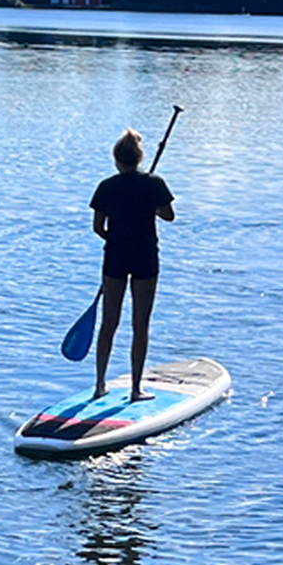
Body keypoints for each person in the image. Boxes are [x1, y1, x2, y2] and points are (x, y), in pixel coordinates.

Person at [90, 127, 175, 402]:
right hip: (145, 256)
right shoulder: (154, 184)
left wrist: (115, 237)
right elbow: (169, 215)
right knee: (141, 324)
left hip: (115, 256)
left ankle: (100, 384)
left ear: (117, 160)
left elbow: (98, 228)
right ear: (140, 158)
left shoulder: (106, 187)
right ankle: (136, 388)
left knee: (109, 322)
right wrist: (151, 205)